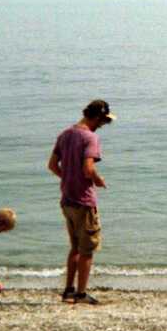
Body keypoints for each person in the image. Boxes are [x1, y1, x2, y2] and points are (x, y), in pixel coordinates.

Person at [49, 99, 114, 305]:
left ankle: (68, 290)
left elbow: (52, 165)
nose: (102, 125)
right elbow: (88, 168)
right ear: (96, 117)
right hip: (84, 201)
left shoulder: (65, 134)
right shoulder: (90, 137)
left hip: (67, 199)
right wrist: (98, 180)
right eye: (103, 122)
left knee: (74, 247)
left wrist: (68, 178)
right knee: (87, 250)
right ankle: (81, 293)